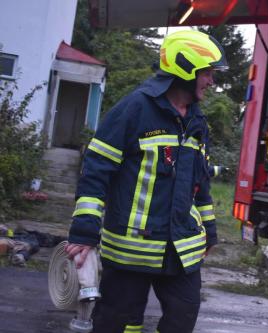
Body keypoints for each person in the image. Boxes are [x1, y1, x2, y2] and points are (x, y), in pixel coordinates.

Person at [65, 30, 227, 333]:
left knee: (182, 318)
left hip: (182, 249)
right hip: (131, 249)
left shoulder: (196, 121)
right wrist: (84, 231)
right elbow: (97, 169)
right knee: (118, 323)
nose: (211, 81)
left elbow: (200, 182)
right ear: (187, 67)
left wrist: (211, 232)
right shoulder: (134, 109)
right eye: (207, 72)